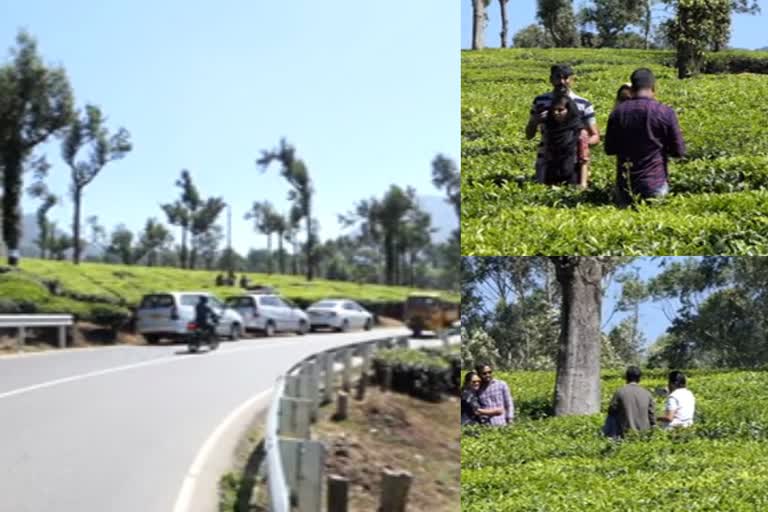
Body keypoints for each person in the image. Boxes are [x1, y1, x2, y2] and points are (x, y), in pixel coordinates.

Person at [605, 68, 686, 207]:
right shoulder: (665, 112)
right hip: (655, 182)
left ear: (632, 88)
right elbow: (679, 151)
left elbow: (610, 149)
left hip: (626, 185)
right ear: (653, 87)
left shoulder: (618, 112)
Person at [526, 64, 600, 187]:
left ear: (572, 80)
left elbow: (595, 136)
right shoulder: (540, 101)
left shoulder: (584, 104)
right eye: (557, 77)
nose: (562, 81)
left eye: (566, 78)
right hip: (546, 158)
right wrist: (535, 121)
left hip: (574, 160)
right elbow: (529, 135)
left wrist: (581, 143)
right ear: (551, 79)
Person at [538, 91, 587, 186]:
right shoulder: (549, 129)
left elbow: (583, 159)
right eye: (554, 110)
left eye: (560, 110)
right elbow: (545, 156)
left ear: (569, 110)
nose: (556, 113)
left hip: (572, 176)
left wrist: (583, 183)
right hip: (551, 177)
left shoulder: (580, 132)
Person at [605, 366, 656, 438]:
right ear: (639, 378)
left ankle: (609, 438)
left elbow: (611, 411)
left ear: (626, 377)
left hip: (624, 434)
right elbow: (652, 417)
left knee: (611, 418)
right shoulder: (647, 393)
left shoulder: (620, 392)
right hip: (643, 435)